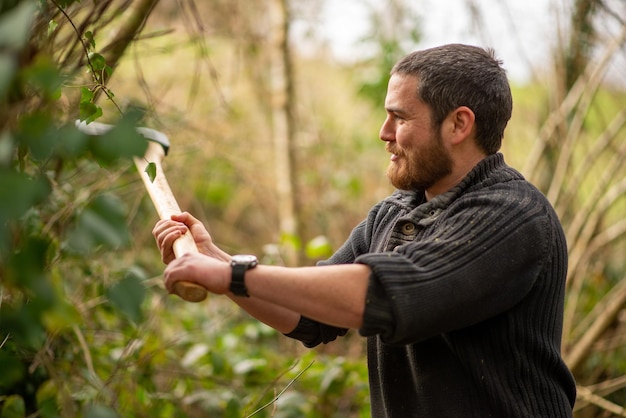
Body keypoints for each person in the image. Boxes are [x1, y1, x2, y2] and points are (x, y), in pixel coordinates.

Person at [152, 43, 576, 417]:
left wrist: (233, 276)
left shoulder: (514, 216)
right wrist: (218, 261)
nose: (384, 133)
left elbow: (389, 294)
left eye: (399, 117)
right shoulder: (393, 213)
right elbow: (309, 317)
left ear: (458, 125)